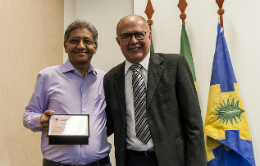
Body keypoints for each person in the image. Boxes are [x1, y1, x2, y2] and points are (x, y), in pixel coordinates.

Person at [104, 15, 206, 166]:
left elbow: (194, 124)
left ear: (149, 36)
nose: (133, 41)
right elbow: (108, 124)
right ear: (118, 41)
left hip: (171, 159)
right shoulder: (111, 78)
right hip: (130, 160)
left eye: (139, 34)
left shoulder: (175, 65)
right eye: (126, 36)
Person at [23, 19, 111, 166]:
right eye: (74, 40)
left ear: (95, 47)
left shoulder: (105, 79)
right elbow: (28, 116)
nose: (81, 46)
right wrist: (41, 120)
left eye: (87, 41)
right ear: (65, 46)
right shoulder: (48, 76)